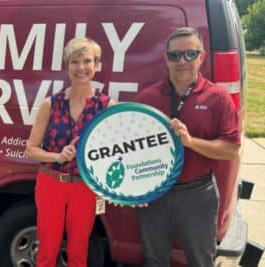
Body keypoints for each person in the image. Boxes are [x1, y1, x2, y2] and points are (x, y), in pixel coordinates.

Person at [135, 27, 241, 267]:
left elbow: (231, 149)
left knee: (200, 261)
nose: (182, 61)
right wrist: (135, 187)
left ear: (202, 57)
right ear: (166, 59)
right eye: (175, 55)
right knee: (154, 260)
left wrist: (191, 142)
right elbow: (134, 150)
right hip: (155, 193)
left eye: (190, 54)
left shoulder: (218, 97)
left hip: (197, 194)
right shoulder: (147, 99)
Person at [25, 37, 116, 267]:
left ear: (97, 65)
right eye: (74, 62)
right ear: (67, 66)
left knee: (78, 252)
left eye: (87, 61)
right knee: (47, 250)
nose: (81, 68)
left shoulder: (107, 106)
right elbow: (31, 150)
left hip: (84, 186)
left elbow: (115, 153)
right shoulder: (51, 104)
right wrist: (57, 156)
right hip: (51, 183)